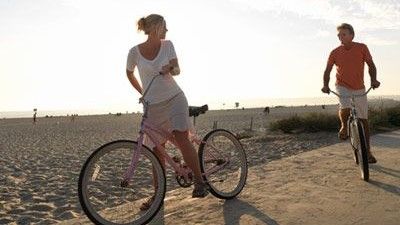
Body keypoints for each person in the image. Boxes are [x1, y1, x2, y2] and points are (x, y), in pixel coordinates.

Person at [125, 14, 209, 209]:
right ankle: (158, 194)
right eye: (165, 26)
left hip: (174, 98)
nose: (167, 30)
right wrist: (143, 92)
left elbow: (178, 69)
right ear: (156, 27)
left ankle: (199, 181)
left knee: (181, 138)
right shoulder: (134, 52)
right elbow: (129, 73)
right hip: (152, 105)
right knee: (156, 149)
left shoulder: (168, 44)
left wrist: (170, 67)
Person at [321, 23, 380, 163]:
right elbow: (327, 70)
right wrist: (325, 85)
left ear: (352, 35)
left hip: (359, 86)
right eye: (339, 35)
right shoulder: (335, 52)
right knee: (345, 106)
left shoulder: (362, 48)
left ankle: (368, 152)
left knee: (364, 120)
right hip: (342, 85)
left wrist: (374, 80)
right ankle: (343, 127)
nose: (341, 37)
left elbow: (371, 65)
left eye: (344, 34)